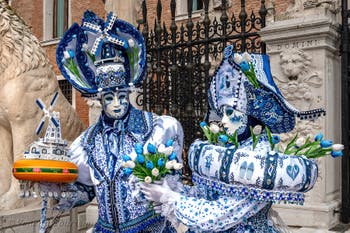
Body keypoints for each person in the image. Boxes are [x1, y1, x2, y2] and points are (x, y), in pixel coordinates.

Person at [141, 45, 325, 232]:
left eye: (231, 113)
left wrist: (171, 199)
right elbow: (206, 195)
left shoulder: (261, 158)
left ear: (251, 115)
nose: (223, 121)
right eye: (222, 113)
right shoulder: (225, 149)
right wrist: (173, 189)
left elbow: (220, 214)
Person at [53, 11, 184, 233]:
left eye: (122, 97)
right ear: (99, 100)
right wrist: (57, 193)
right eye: (109, 98)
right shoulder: (87, 143)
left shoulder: (156, 129)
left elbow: (173, 183)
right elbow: (86, 193)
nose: (117, 104)